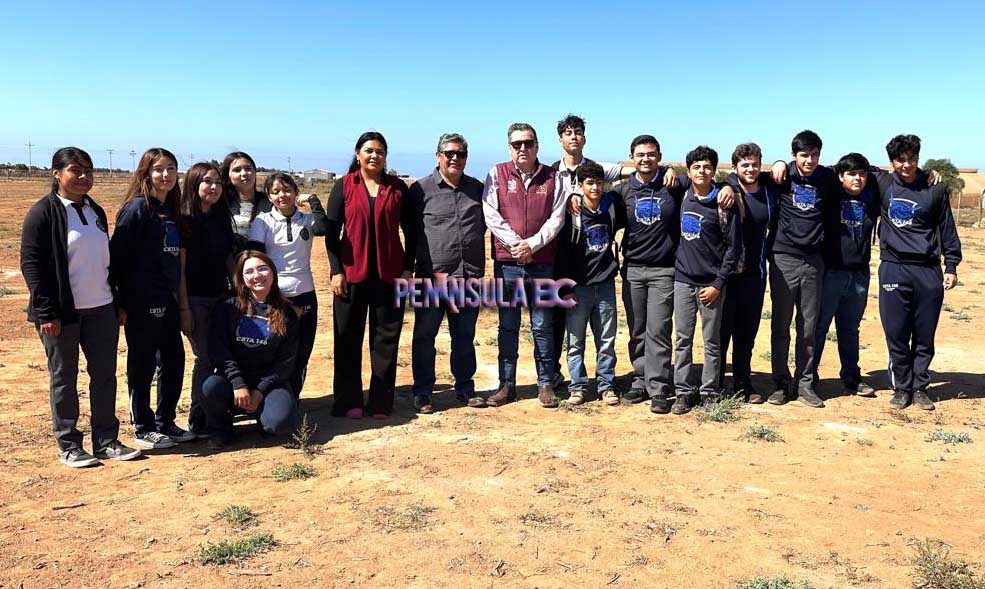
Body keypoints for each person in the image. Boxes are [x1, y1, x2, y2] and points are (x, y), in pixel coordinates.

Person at [21, 147, 141, 467]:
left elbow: (105, 260)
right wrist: (46, 312)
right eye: (75, 170)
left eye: (88, 170)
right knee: (64, 378)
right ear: (57, 173)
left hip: (101, 307)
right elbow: (32, 266)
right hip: (62, 314)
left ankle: (106, 440)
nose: (83, 176)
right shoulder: (42, 213)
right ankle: (69, 444)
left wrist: (117, 301)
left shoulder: (94, 209)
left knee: (104, 376)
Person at [325, 132, 416, 419]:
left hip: (389, 276)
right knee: (347, 339)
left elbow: (412, 231)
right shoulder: (344, 186)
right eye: (369, 150)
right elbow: (331, 233)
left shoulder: (397, 188)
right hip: (351, 275)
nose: (374, 155)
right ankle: (348, 401)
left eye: (380, 151)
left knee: (385, 341)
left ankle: (380, 402)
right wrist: (336, 271)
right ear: (358, 154)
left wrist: (407, 267)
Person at [109, 147, 192, 449]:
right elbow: (116, 259)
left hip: (167, 300)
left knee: (173, 360)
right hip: (140, 301)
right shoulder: (136, 209)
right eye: (159, 169)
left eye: (171, 168)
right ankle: (143, 427)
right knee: (142, 364)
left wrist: (181, 303)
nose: (166, 174)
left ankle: (165, 421)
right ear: (146, 173)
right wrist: (120, 301)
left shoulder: (171, 211)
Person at [482, 123, 565, 408]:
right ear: (509, 148)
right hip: (508, 264)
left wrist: (533, 244)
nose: (523, 148)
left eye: (528, 143)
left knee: (542, 326)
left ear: (537, 146)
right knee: (508, 326)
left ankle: (545, 384)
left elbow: (557, 218)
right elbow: (491, 213)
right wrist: (516, 244)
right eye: (517, 144)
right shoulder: (496, 174)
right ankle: (507, 385)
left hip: (542, 263)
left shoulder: (553, 177)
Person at [876, 134, 961, 411]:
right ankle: (902, 388)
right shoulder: (882, 183)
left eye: (912, 159)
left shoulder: (934, 188)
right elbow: (844, 171)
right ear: (891, 162)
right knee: (896, 331)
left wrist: (951, 265)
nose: (907, 165)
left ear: (918, 158)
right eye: (900, 160)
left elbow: (947, 227)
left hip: (927, 270)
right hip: (894, 268)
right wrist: (782, 164)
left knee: (925, 333)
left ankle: (920, 387)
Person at [547, 114, 631, 391]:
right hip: (562, 259)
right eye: (568, 133)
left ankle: (604, 382)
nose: (573, 137)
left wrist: (666, 170)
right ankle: (562, 378)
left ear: (584, 137)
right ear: (560, 139)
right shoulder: (550, 173)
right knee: (560, 326)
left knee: (602, 334)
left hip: (598, 270)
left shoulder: (597, 169)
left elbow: (632, 171)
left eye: (578, 132)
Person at [407, 133, 487, 413]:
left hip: (468, 276)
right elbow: (410, 232)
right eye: (449, 153)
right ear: (438, 156)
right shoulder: (420, 190)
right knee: (424, 337)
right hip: (430, 278)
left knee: (464, 337)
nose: (455, 158)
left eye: (460, 154)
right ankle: (422, 392)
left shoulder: (477, 189)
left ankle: (465, 388)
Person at [766, 130, 837, 408]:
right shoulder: (782, 176)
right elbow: (743, 177)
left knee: (808, 327)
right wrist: (777, 163)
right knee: (780, 325)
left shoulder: (827, 177)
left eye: (814, 155)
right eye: (804, 155)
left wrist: (928, 174)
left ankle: (805, 383)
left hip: (813, 261)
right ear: (794, 155)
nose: (809, 160)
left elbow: (866, 171)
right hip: (783, 258)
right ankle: (780, 383)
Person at [202, 251, 300, 449]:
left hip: (269, 383)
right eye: (249, 272)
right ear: (242, 278)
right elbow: (219, 351)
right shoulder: (228, 308)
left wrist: (259, 392)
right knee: (210, 386)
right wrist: (238, 383)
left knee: (279, 424)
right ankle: (221, 430)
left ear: (273, 273)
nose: (257, 276)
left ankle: (264, 416)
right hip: (233, 382)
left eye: (262, 269)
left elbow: (286, 362)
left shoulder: (287, 313)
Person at [670, 146, 742, 414]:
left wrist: (717, 284)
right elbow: (665, 175)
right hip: (683, 280)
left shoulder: (724, 203)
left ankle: (709, 391)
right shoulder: (682, 195)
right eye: (696, 167)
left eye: (707, 167)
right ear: (688, 171)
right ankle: (683, 392)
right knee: (682, 339)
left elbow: (733, 249)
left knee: (712, 341)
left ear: (714, 171)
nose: (702, 171)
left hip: (712, 284)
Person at [248, 172, 327, 397]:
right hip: (274, 295)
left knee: (302, 351)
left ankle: (293, 399)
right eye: (275, 192)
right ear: (269, 196)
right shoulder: (263, 221)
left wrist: (313, 200)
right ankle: (270, 397)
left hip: (305, 293)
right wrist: (275, 296)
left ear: (295, 192)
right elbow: (257, 256)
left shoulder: (306, 220)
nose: (282, 195)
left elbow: (322, 228)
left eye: (287, 190)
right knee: (274, 349)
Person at [812, 153, 879, 398]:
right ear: (840, 176)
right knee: (819, 327)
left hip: (859, 274)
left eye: (862, 174)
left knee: (850, 329)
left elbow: (885, 174)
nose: (857, 178)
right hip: (831, 272)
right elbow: (820, 170)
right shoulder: (831, 192)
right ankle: (808, 377)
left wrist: (927, 174)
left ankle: (851, 377)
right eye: (851, 174)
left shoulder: (872, 195)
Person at [178, 162, 236, 438]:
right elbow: (179, 269)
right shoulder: (183, 220)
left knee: (221, 355)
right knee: (204, 358)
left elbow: (228, 258)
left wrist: (238, 291)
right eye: (207, 182)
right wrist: (184, 307)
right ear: (193, 184)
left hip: (221, 297)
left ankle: (214, 412)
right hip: (195, 300)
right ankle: (199, 417)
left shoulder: (220, 217)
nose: (213, 187)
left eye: (217, 183)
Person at [556, 162, 621, 405]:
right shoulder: (571, 213)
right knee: (575, 341)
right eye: (590, 183)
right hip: (578, 287)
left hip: (604, 284)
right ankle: (578, 387)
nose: (595, 188)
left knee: (606, 340)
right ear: (580, 186)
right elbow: (562, 253)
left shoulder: (611, 206)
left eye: (599, 183)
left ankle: (606, 385)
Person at [720, 143, 778, 404]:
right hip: (727, 273)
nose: (750, 169)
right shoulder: (726, 190)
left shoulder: (768, 191)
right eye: (744, 164)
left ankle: (743, 382)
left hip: (755, 273)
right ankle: (715, 383)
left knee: (746, 333)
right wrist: (729, 184)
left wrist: (780, 163)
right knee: (721, 332)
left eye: (755, 164)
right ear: (735, 167)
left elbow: (784, 171)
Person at [221, 151, 271, 249]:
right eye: (237, 170)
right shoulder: (221, 204)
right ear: (228, 176)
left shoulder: (270, 202)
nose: (244, 173)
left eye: (248, 168)